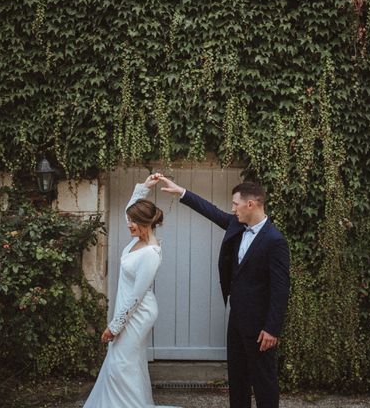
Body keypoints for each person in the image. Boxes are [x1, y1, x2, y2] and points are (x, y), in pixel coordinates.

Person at [159, 176, 290, 408]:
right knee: (237, 380)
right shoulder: (237, 226)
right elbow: (211, 211)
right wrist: (181, 191)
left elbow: (280, 288)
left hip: (261, 327)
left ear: (251, 204)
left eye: (235, 204)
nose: (232, 209)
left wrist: (272, 328)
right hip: (237, 320)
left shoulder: (275, 240)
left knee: (264, 381)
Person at [83, 173, 178, 408]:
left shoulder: (151, 254)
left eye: (134, 222)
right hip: (128, 309)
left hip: (138, 313)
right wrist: (144, 188)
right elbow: (130, 211)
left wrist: (114, 327)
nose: (129, 224)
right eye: (129, 220)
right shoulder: (137, 239)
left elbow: (136, 297)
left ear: (146, 224)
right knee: (124, 362)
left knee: (121, 363)